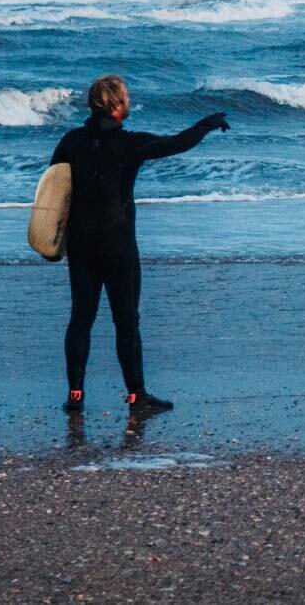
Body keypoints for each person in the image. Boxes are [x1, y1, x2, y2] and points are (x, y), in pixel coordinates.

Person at [50, 75, 229, 413]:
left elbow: (53, 190)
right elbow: (175, 143)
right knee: (126, 320)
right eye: (126, 97)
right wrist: (206, 124)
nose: (129, 100)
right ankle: (136, 398)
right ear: (116, 105)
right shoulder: (130, 144)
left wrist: (54, 238)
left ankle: (75, 397)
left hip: (81, 246)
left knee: (80, 318)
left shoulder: (70, 142)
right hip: (117, 245)